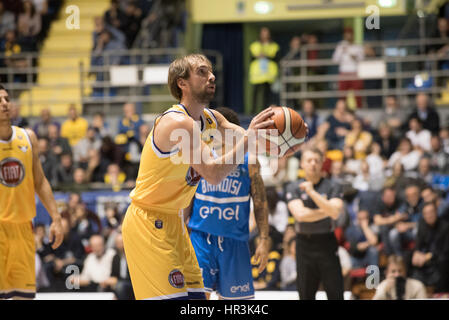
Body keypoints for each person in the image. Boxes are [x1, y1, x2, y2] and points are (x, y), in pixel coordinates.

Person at [121, 54, 275, 300]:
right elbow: (213, 173)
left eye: (211, 71)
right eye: (202, 72)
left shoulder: (210, 119)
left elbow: (249, 138)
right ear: (182, 83)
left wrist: (283, 138)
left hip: (176, 224)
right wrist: (249, 139)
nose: (212, 76)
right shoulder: (177, 123)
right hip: (148, 223)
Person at [187, 107, 269, 300]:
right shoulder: (200, 159)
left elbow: (260, 202)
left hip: (235, 242)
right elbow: (186, 198)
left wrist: (264, 239)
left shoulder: (250, 161)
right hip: (200, 240)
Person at [0, 84, 63, 299]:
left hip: (24, 229)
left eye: (7, 99)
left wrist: (56, 217)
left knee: (22, 296)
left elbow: (40, 181)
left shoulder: (28, 137)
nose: (5, 104)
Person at [286, 147, 345, 300]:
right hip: (304, 244)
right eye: (309, 160)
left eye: (316, 161)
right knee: (305, 294)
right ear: (302, 164)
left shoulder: (333, 186)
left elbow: (335, 212)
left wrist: (312, 192)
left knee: (335, 293)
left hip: (327, 243)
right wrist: (327, 210)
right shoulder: (293, 187)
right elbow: (300, 215)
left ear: (322, 164)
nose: (313, 164)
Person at [410, 202, 449, 293]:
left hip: (439, 256)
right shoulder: (422, 224)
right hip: (424, 255)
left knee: (443, 260)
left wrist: (429, 256)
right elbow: (418, 243)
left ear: (436, 212)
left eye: (431, 212)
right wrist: (416, 253)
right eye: (426, 213)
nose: (429, 215)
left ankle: (441, 291)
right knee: (408, 257)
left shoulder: (446, 227)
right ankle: (411, 290)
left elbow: (445, 250)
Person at [249, 27, 280, 114]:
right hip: (257, 76)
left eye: (266, 33)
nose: (264, 35)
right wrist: (258, 56)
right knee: (255, 94)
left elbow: (276, 59)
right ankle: (253, 111)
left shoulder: (274, 46)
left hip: (268, 75)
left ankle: (265, 111)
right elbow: (250, 58)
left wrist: (266, 56)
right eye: (263, 33)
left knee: (267, 95)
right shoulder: (254, 45)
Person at [332, 27, 364, 108]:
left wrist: (351, 53)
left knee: (357, 94)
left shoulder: (358, 46)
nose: (348, 36)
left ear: (352, 35)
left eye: (349, 34)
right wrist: (341, 51)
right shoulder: (340, 45)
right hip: (343, 72)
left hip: (354, 72)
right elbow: (335, 59)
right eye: (346, 34)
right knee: (342, 94)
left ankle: (359, 109)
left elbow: (361, 59)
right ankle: (342, 109)